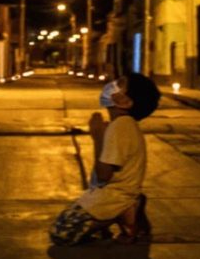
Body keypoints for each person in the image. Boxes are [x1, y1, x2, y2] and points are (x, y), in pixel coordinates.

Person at [49, 73, 161, 246]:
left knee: (62, 232)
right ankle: (125, 212)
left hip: (115, 195)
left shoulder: (120, 127)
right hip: (112, 193)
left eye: (120, 84)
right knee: (67, 224)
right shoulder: (122, 125)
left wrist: (98, 137)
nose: (112, 85)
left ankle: (127, 211)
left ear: (126, 102)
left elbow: (103, 174)